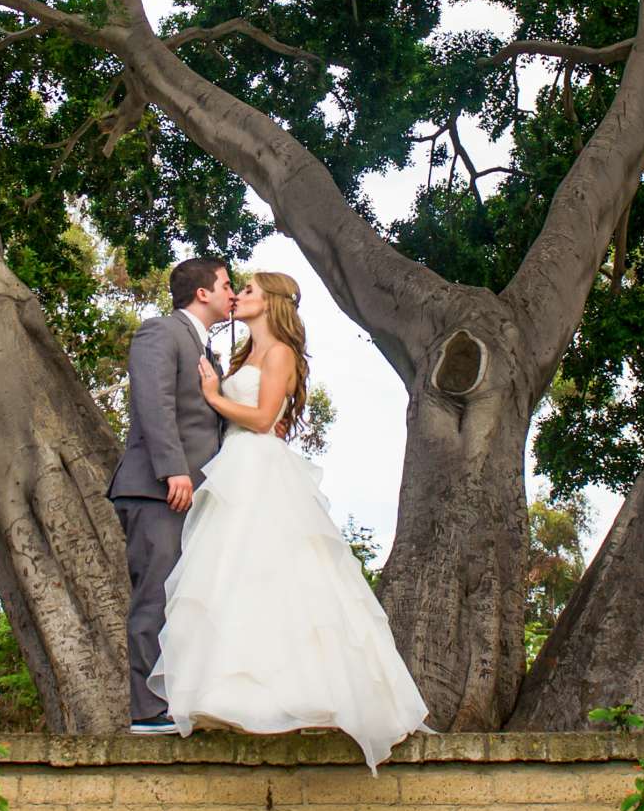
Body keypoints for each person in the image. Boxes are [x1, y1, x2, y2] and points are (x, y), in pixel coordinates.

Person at [149, 270, 431, 769]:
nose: (239, 296)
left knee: (279, 576)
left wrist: (215, 396)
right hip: (233, 467)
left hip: (261, 466)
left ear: (273, 301)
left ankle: (307, 693)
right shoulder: (239, 355)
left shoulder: (280, 353)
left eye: (250, 290)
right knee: (233, 581)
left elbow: (262, 419)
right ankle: (230, 697)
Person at [108, 256, 234, 735]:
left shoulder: (209, 352)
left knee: (186, 599)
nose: (231, 293)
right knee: (156, 595)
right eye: (226, 284)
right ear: (202, 292)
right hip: (158, 490)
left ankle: (179, 699)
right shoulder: (160, 331)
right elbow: (153, 401)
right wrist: (173, 471)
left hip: (195, 495)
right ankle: (146, 710)